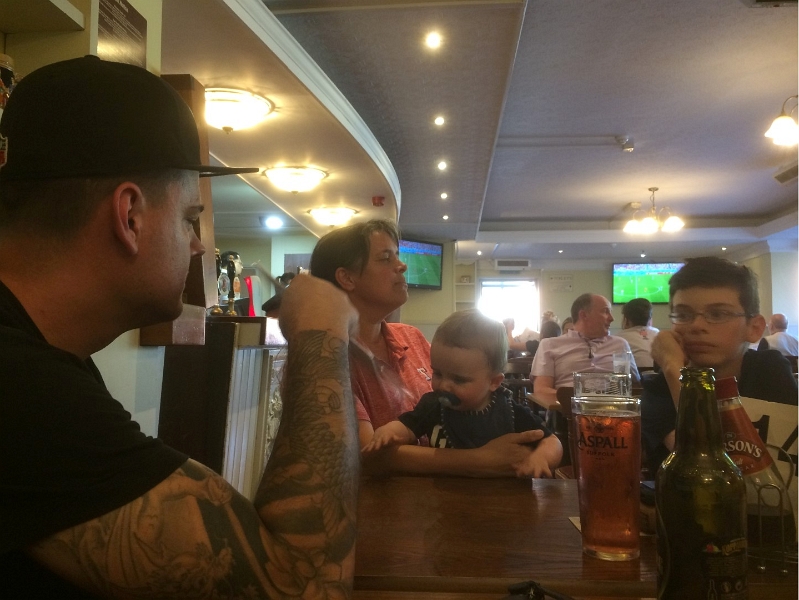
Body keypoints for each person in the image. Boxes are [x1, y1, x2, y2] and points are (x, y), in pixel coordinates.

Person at [0, 56, 360, 598]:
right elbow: (307, 586)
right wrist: (321, 336)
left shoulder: (44, 363)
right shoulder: (21, 389)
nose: (196, 246)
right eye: (191, 220)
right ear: (129, 216)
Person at [310, 219, 559, 477]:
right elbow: (366, 454)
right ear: (347, 277)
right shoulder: (327, 360)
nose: (402, 265)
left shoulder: (411, 337)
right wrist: (480, 460)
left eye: (397, 255)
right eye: (385, 258)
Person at [641, 257, 797, 476]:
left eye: (717, 314)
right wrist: (672, 368)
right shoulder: (661, 388)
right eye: (684, 315)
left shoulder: (769, 369)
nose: (696, 325)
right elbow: (710, 469)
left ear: (754, 328)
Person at [364, 309, 561, 476]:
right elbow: (407, 428)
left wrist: (540, 458)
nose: (444, 385)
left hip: (501, 500)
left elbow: (552, 441)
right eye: (438, 373)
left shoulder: (509, 410)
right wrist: (389, 431)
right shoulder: (432, 404)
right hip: (442, 498)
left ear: (493, 382)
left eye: (458, 380)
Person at [531, 293, 639, 398]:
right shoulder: (550, 345)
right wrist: (577, 400)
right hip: (566, 408)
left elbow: (634, 385)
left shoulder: (620, 345)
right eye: (605, 311)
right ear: (584, 315)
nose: (612, 318)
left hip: (613, 407)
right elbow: (541, 390)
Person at [616, 297, 659, 368]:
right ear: (650, 317)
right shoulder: (658, 334)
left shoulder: (619, 338)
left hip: (634, 374)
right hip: (659, 373)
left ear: (626, 319)